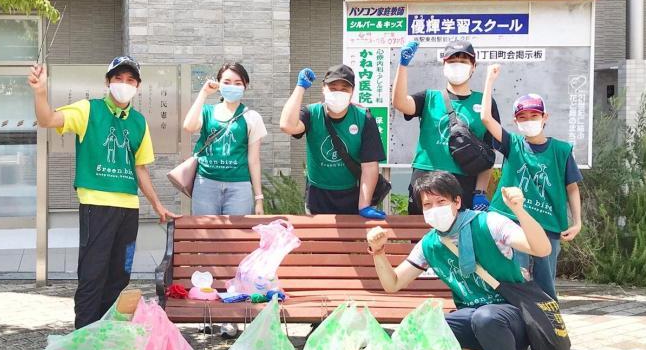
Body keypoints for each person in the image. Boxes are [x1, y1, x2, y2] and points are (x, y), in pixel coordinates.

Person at [366, 171, 552, 350]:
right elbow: (393, 283)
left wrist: (519, 210)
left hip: (514, 317)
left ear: (457, 201)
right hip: (474, 317)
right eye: (428, 205)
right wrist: (378, 252)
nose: (434, 209)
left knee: (485, 317)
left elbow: (541, 248)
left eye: (441, 202)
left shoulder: (490, 224)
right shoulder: (430, 244)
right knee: (429, 326)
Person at [29, 56, 178, 329]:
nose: (124, 84)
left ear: (138, 86)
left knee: (120, 277)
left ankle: (108, 333)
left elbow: (140, 169)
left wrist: (157, 205)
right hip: (96, 207)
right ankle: (85, 338)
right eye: (118, 78)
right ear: (108, 82)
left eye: (130, 80)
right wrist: (40, 92)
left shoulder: (138, 122)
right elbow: (48, 119)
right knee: (92, 276)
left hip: (128, 211)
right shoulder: (89, 110)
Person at [481, 64, 582, 301]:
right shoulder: (513, 144)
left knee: (546, 282)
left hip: (548, 224)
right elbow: (485, 117)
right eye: (522, 117)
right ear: (516, 122)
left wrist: (577, 222)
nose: (529, 121)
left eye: (534, 116)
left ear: (545, 117)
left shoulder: (561, 150)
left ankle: (547, 327)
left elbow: (572, 187)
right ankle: (517, 322)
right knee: (516, 277)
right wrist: (489, 81)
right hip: (512, 222)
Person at [392, 40, 502, 215]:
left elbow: (488, 154)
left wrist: (480, 192)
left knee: (459, 240)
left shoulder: (485, 102)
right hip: (425, 179)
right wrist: (403, 65)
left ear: (473, 67)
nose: (457, 65)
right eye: (452, 61)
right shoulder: (430, 98)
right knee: (423, 238)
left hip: (463, 182)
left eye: (464, 61)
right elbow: (400, 103)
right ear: (444, 65)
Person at [280, 64, 386, 218]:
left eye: (344, 89)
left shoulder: (364, 117)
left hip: (352, 193)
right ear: (323, 88)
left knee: (353, 240)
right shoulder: (311, 113)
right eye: (333, 88)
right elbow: (287, 125)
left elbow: (370, 165)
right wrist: (300, 87)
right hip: (318, 194)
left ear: (352, 92)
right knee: (319, 240)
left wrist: (364, 205)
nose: (338, 93)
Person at [182, 62, 267, 215]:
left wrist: (259, 198)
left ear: (245, 86)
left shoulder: (252, 117)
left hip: (239, 186)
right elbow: (188, 126)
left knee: (236, 236)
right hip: (205, 183)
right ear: (219, 84)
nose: (232, 87)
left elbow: (253, 160)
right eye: (226, 82)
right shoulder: (207, 112)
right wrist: (203, 93)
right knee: (206, 235)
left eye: (238, 83)